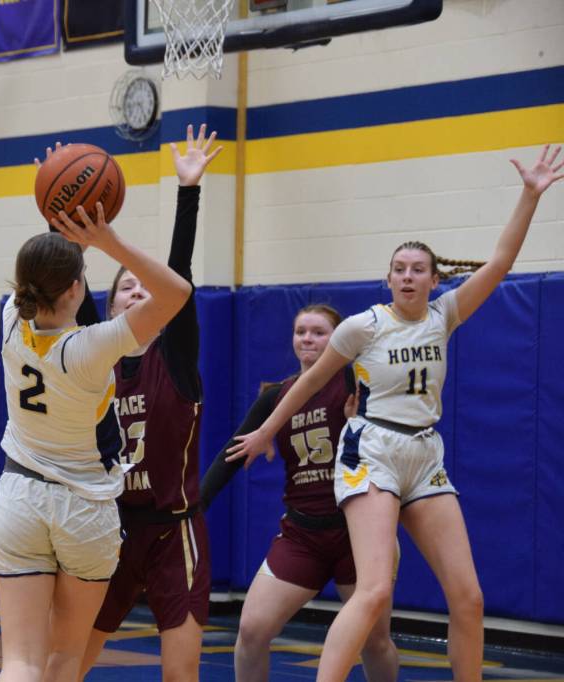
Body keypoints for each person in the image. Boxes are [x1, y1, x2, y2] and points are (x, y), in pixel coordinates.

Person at [226, 144, 563, 681]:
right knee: (374, 590)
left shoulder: (444, 314)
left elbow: (500, 263)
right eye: (399, 270)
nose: (408, 277)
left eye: (418, 270)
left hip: (424, 454)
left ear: (434, 280)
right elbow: (310, 380)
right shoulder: (363, 326)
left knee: (469, 597)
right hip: (372, 451)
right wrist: (267, 429)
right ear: (388, 279)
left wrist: (529, 195)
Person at [0, 197, 191, 682]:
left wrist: (55, 206)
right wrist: (107, 239)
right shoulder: (93, 346)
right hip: (84, 507)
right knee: (65, 657)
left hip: (18, 497)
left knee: (20, 662)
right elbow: (177, 293)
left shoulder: (10, 320)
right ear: (78, 288)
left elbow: (42, 270)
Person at [77, 124, 221, 682]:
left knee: (180, 674)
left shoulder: (176, 355)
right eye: (126, 288)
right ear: (110, 307)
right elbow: (70, 280)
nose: (139, 291)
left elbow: (178, 276)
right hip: (106, 529)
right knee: (68, 664)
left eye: (146, 287)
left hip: (172, 531)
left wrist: (189, 192)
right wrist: (63, 220)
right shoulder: (92, 354)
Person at [200, 305, 399, 682]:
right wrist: (197, 505)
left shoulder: (353, 380)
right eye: (301, 331)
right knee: (251, 631)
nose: (307, 338)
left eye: (319, 332)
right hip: (302, 535)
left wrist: (360, 420)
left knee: (374, 641)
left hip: (356, 531)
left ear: (338, 338)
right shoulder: (277, 396)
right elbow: (234, 452)